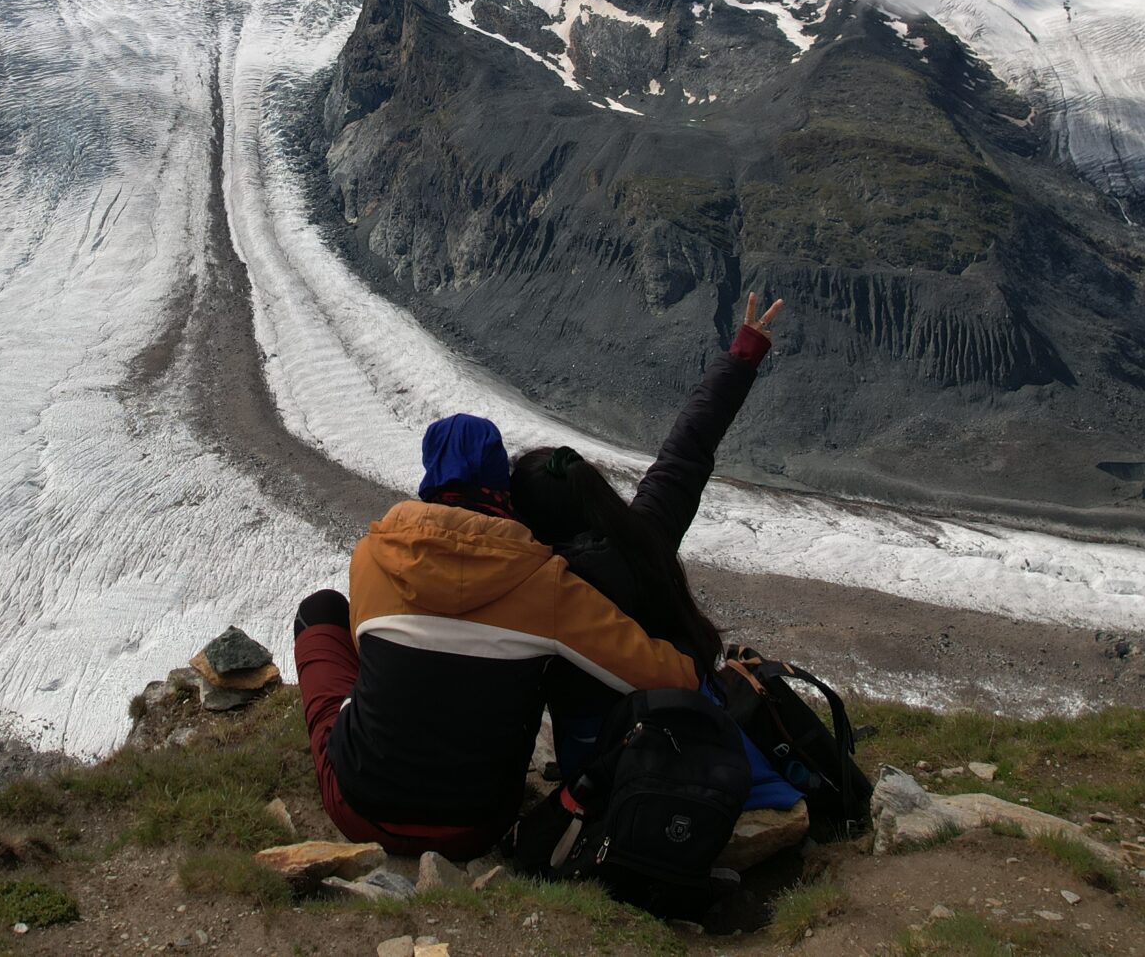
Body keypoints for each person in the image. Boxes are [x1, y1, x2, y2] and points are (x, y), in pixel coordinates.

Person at [291, 411, 701, 859]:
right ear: (502, 485)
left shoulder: (373, 556)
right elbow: (669, 678)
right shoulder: (545, 581)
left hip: (357, 810)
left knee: (321, 611)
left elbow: (364, 659)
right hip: (475, 826)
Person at [510, 293, 787, 801]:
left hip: (600, 760)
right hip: (693, 728)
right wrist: (743, 354)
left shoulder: (544, 584)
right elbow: (688, 448)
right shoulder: (646, 533)